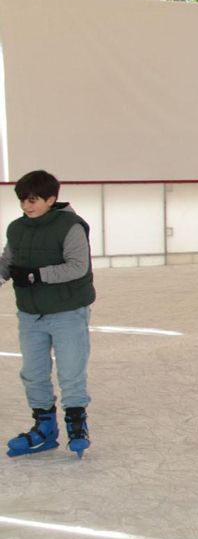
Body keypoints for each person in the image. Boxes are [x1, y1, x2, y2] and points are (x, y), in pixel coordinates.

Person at [2, 171, 96, 459]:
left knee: (70, 372)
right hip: (31, 313)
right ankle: (44, 429)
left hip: (68, 311)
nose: (26, 206)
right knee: (33, 373)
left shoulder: (71, 226)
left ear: (51, 198)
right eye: (22, 201)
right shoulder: (16, 228)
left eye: (33, 200)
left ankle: (77, 425)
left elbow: (77, 266)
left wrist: (36, 275)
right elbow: (8, 261)